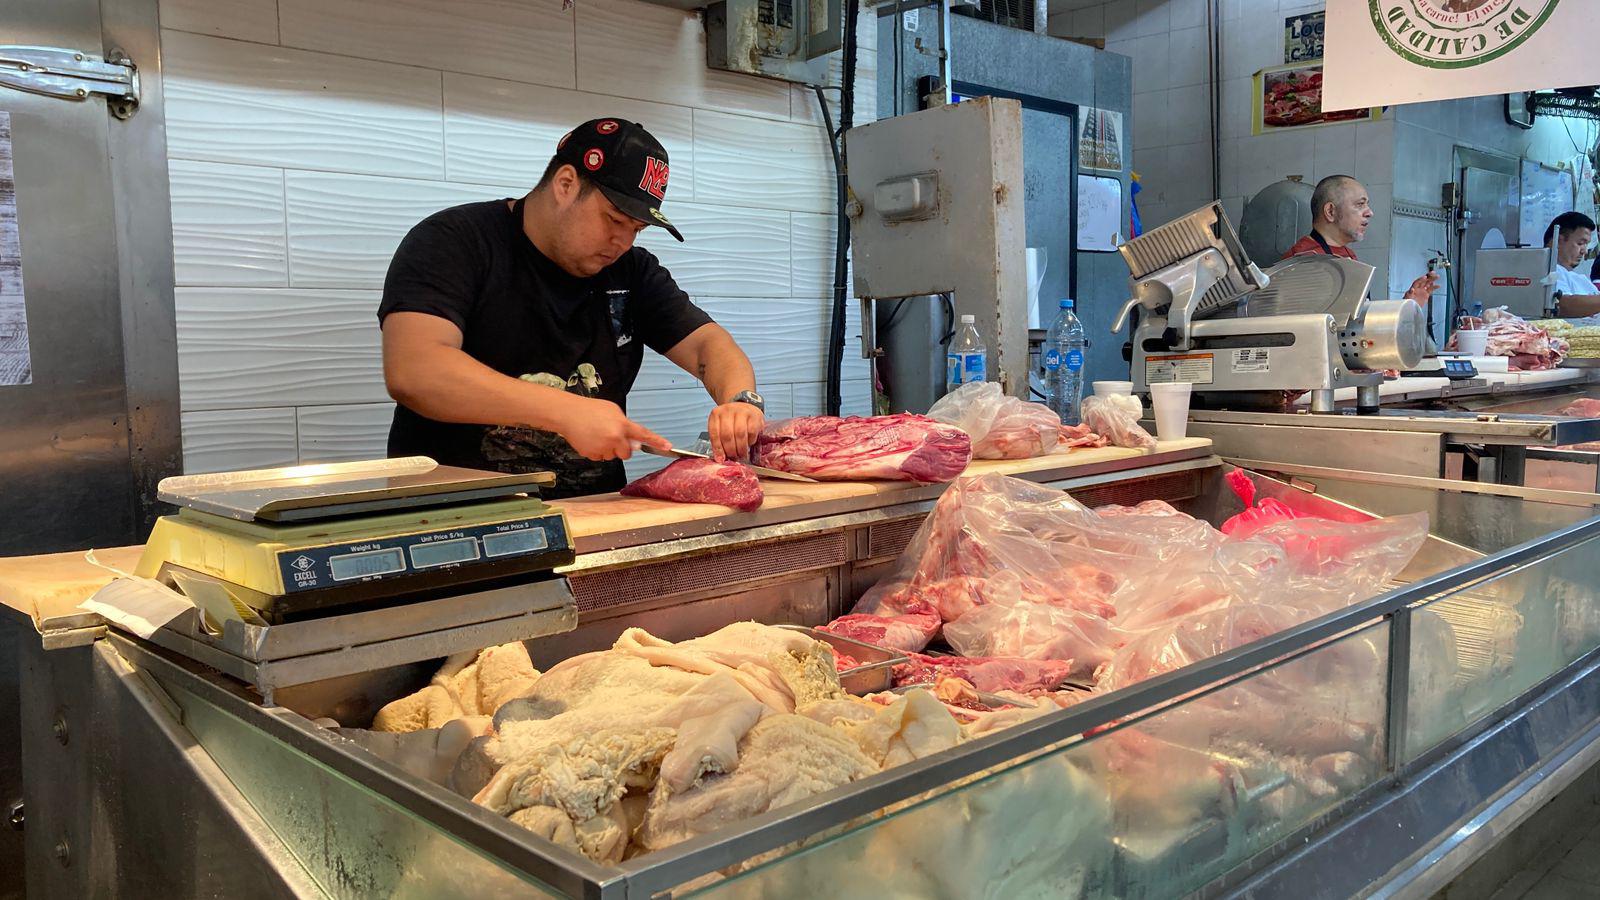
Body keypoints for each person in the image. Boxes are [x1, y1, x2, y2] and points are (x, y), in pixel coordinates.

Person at [378, 118, 766, 499]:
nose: (622, 242)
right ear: (566, 184)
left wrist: (741, 401)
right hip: (459, 518)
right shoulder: (454, 241)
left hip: (593, 519)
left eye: (636, 229)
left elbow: (707, 346)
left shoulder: (632, 271)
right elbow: (416, 372)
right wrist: (566, 411)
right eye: (614, 219)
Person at [1285, 174, 1438, 302]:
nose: (1369, 213)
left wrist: (1408, 305)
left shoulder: (1348, 256)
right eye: (1360, 204)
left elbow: (1359, 322)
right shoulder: (1305, 260)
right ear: (1330, 211)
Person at [1543, 211, 1600, 317]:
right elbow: (1562, 305)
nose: (1584, 251)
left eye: (1586, 245)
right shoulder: (1548, 272)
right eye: (1580, 243)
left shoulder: (1581, 279)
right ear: (1558, 241)